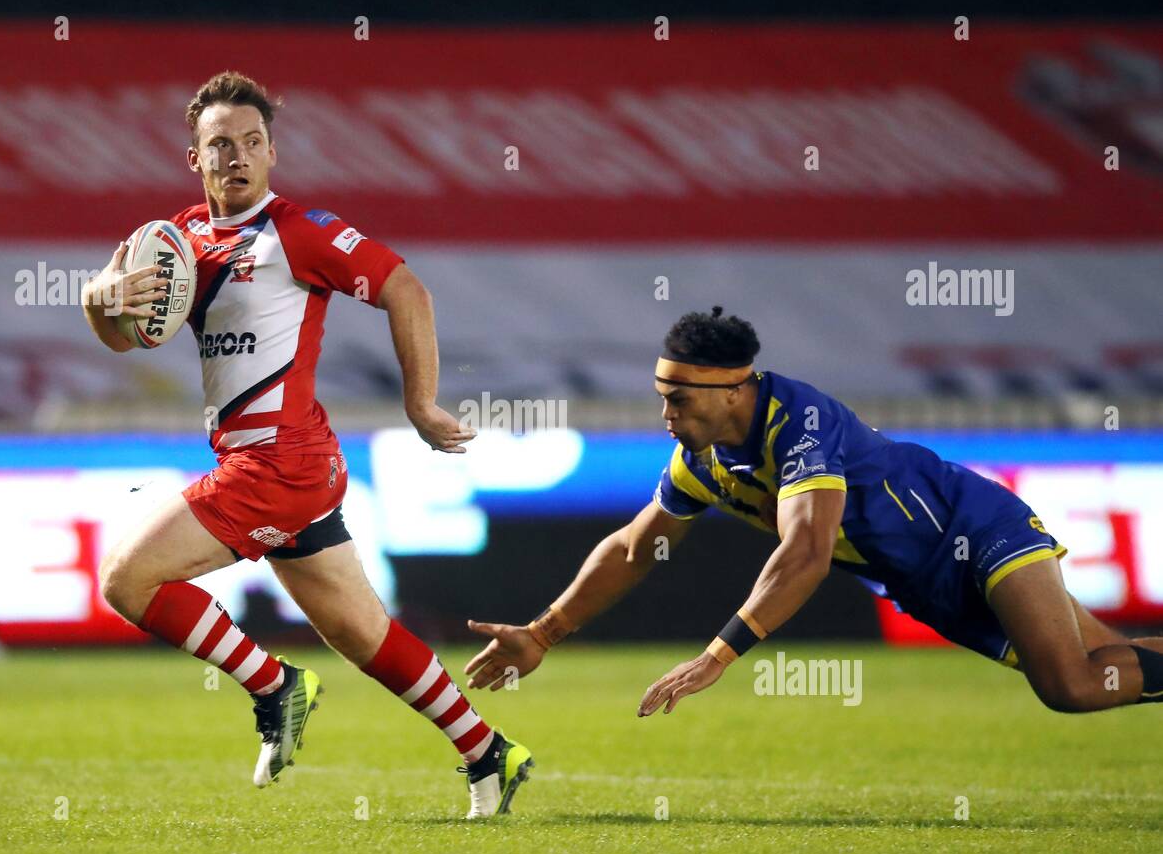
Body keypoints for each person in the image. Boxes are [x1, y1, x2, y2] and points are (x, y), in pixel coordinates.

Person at [81, 71, 532, 818]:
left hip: (280, 465)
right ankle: (489, 751)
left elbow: (405, 288)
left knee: (126, 579)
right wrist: (99, 300)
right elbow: (124, 337)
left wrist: (419, 403)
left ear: (271, 152)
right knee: (366, 637)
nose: (237, 156)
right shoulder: (178, 243)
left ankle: (273, 683)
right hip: (276, 465)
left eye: (252, 142)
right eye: (220, 144)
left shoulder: (299, 230)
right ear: (194, 157)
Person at [465, 307, 1163, 722]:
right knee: (1109, 663)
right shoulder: (703, 461)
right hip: (923, 584)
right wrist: (545, 631)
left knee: (1068, 685)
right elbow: (634, 547)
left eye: (679, 398)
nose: (666, 414)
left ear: (735, 389)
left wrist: (718, 655)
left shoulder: (800, 423)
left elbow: (807, 551)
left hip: (972, 530)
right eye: (662, 395)